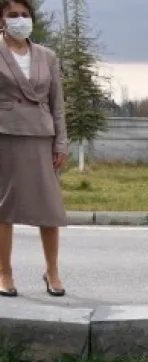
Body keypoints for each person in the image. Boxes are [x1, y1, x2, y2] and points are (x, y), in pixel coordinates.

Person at [0, 0, 67, 298]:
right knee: (5, 209)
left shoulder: (47, 56)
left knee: (49, 209)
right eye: (13, 15)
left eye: (25, 14)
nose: (20, 20)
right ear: (1, 20)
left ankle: (51, 271)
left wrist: (61, 142)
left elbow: (57, 103)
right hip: (5, 135)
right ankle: (4, 272)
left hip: (41, 136)